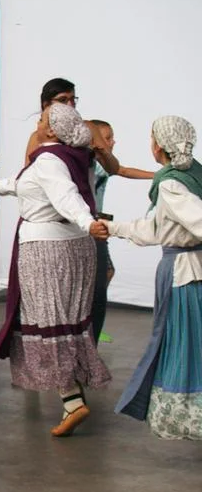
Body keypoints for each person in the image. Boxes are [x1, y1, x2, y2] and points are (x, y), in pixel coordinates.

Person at [0, 103, 112, 436]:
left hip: (47, 248)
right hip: (75, 245)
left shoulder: (48, 160)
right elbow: (29, 185)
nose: (38, 121)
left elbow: (65, 196)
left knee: (49, 320)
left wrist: (87, 221)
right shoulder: (77, 156)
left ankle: (72, 401)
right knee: (67, 320)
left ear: (54, 129)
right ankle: (73, 393)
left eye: (42, 119)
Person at [107, 116, 202, 440]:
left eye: (151, 138)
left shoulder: (171, 184)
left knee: (185, 343)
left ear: (158, 146)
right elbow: (159, 228)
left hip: (184, 275)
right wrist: (114, 228)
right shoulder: (194, 174)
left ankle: (187, 417)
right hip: (190, 268)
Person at [86, 119, 155, 342]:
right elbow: (123, 170)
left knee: (106, 272)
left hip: (97, 225)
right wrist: (156, 175)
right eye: (107, 138)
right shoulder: (96, 164)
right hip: (91, 227)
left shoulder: (98, 164)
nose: (112, 142)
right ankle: (89, 323)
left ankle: (91, 321)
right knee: (100, 276)